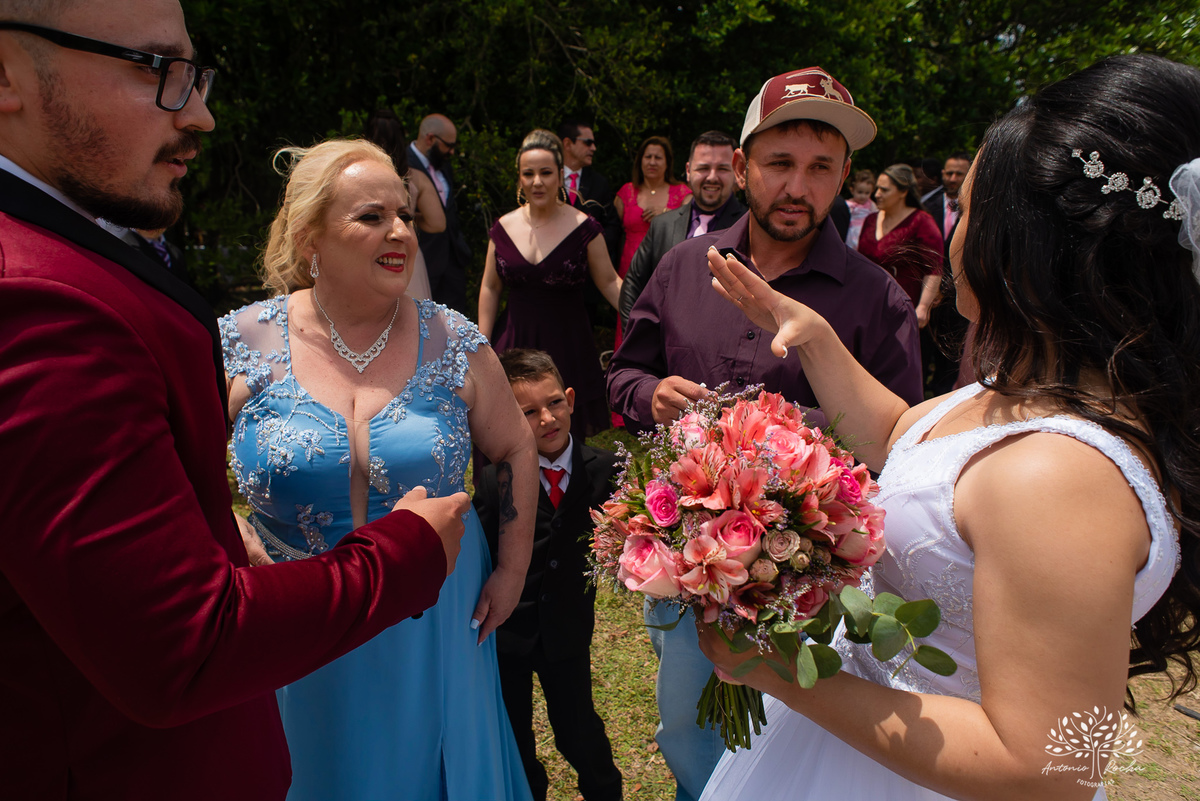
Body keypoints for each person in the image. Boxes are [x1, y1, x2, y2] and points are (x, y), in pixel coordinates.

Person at [699, 53, 1200, 801]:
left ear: (1027, 241)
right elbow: (907, 434)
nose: (953, 232)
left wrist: (780, 674)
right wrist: (810, 334)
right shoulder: (1031, 392)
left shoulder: (1061, 475)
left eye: (966, 210)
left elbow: (1045, 770)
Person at [0, 2, 468, 799]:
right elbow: (181, 648)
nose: (203, 114)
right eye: (156, 71)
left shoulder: (70, 243)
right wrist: (406, 552)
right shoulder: (35, 300)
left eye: (196, 75)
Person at [607, 66, 923, 801]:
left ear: (846, 177)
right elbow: (624, 374)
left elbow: (899, 441)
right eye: (780, 164)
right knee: (685, 727)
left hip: (808, 584)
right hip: (690, 568)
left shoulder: (877, 299)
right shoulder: (688, 265)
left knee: (787, 747)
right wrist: (652, 394)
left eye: (821, 168)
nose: (797, 186)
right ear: (743, 167)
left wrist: (782, 438)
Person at [220, 138, 537, 801]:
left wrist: (510, 571)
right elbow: (171, 468)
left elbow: (514, 448)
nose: (400, 232)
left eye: (406, 214)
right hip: (297, 619)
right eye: (372, 216)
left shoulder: (453, 339)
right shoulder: (241, 341)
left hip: (439, 616)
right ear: (310, 235)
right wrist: (223, 526)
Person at [476, 348, 624, 801]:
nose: (546, 418)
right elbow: (484, 548)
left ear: (572, 399)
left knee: (580, 733)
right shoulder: (492, 477)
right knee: (514, 738)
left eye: (554, 402)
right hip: (506, 632)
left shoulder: (607, 470)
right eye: (529, 411)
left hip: (568, 630)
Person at [479, 129, 623, 441]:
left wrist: (649, 314)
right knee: (512, 433)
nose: (537, 182)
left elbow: (610, 282)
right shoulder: (502, 227)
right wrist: (481, 343)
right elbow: (490, 287)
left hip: (568, 345)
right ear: (519, 179)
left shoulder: (585, 227)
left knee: (564, 437)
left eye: (545, 173)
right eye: (528, 174)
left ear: (560, 175)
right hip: (514, 342)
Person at [618, 130, 746, 324]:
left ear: (737, 172)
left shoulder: (749, 227)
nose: (712, 177)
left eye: (722, 168)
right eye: (703, 168)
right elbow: (633, 287)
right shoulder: (662, 225)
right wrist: (640, 343)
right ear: (688, 171)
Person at [612, 135, 692, 348]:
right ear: (640, 161)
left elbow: (690, 225)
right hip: (629, 271)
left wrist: (666, 213)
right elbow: (612, 235)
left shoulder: (683, 194)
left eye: (658, 157)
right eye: (648, 157)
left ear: (668, 163)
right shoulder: (625, 193)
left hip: (664, 269)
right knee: (627, 324)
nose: (652, 162)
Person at [363, 108, 447, 299]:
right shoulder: (415, 178)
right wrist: (408, 218)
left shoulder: (358, 177)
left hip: (369, 252)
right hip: (404, 255)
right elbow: (437, 222)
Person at [857, 163, 944, 329]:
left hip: (902, 308)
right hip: (868, 304)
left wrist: (923, 307)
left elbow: (933, 269)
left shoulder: (921, 221)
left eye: (884, 190)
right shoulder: (871, 220)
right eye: (877, 189)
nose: (877, 195)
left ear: (903, 192)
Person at [409, 112, 471, 312]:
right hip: (425, 259)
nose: (452, 152)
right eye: (449, 145)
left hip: (452, 262)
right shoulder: (404, 163)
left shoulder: (443, 167)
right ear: (430, 139)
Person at [560, 119, 622, 264]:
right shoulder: (548, 179)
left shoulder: (599, 183)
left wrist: (592, 250)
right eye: (587, 142)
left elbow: (612, 226)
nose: (593, 148)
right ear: (568, 144)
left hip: (590, 271)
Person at [844, 168, 876, 250]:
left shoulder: (871, 204)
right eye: (860, 192)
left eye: (867, 193)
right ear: (852, 190)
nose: (863, 196)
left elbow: (876, 216)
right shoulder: (848, 204)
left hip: (866, 232)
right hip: (851, 233)